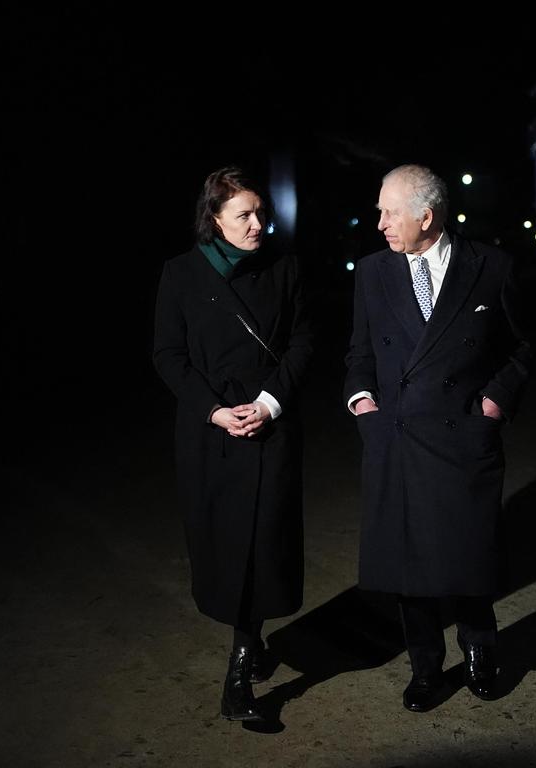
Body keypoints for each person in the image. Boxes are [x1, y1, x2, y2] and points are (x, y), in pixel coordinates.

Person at [345, 164, 531, 712]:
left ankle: (479, 651)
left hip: (463, 435)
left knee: (468, 553)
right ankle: (425, 667)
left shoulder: (490, 267)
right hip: (397, 435)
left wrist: (494, 401)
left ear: (426, 216)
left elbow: (520, 348)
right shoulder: (373, 272)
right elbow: (358, 351)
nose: (379, 223)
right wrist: (362, 401)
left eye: (389, 211)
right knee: (409, 565)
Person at [153, 166, 312, 722]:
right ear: (214, 218)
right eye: (243, 214)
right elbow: (168, 354)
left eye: (261, 213)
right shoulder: (180, 274)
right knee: (225, 548)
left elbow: (304, 339)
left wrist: (269, 402)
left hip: (270, 426)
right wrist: (215, 411)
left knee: (264, 543)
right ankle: (253, 641)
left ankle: (240, 668)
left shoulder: (285, 269)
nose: (257, 224)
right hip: (209, 435)